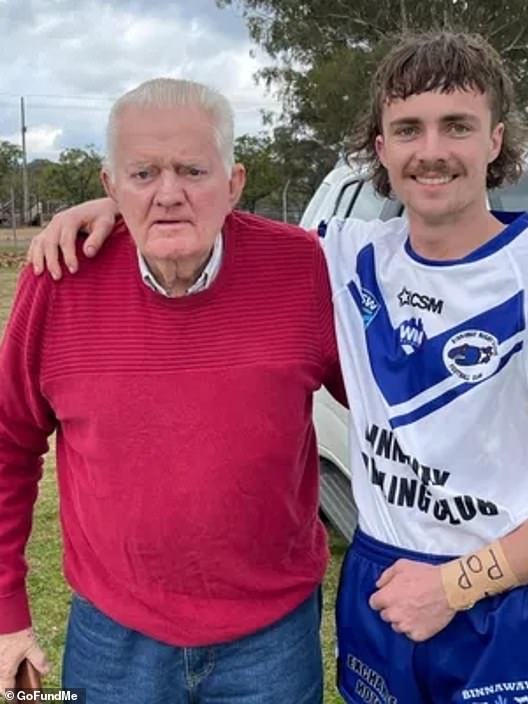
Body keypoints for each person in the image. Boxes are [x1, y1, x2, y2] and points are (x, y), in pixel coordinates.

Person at [26, 33, 528, 704]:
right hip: (377, 587)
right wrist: (123, 205)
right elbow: (195, 209)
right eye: (408, 129)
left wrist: (460, 583)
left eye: (456, 126)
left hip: (491, 599)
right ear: (382, 149)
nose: (431, 151)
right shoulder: (343, 255)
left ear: (495, 140)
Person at [0, 78, 345, 703]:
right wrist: (5, 614)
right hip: (111, 637)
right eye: (143, 174)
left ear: (235, 183)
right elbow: (7, 444)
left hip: (273, 635)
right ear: (109, 187)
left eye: (192, 170)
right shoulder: (59, 278)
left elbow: (387, 401)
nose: (169, 194)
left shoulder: (303, 267)